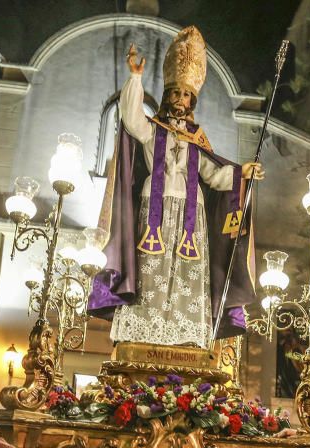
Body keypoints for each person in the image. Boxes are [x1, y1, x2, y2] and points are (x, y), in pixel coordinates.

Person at [88, 26, 264, 348]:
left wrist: (242, 174)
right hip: (152, 210)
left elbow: (213, 176)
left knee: (184, 275)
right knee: (151, 275)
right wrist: (136, 78)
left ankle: (182, 340)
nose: (180, 99)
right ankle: (143, 337)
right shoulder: (151, 130)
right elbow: (130, 117)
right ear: (168, 96)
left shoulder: (197, 140)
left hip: (190, 215)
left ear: (191, 99)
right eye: (175, 93)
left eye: (186, 94)